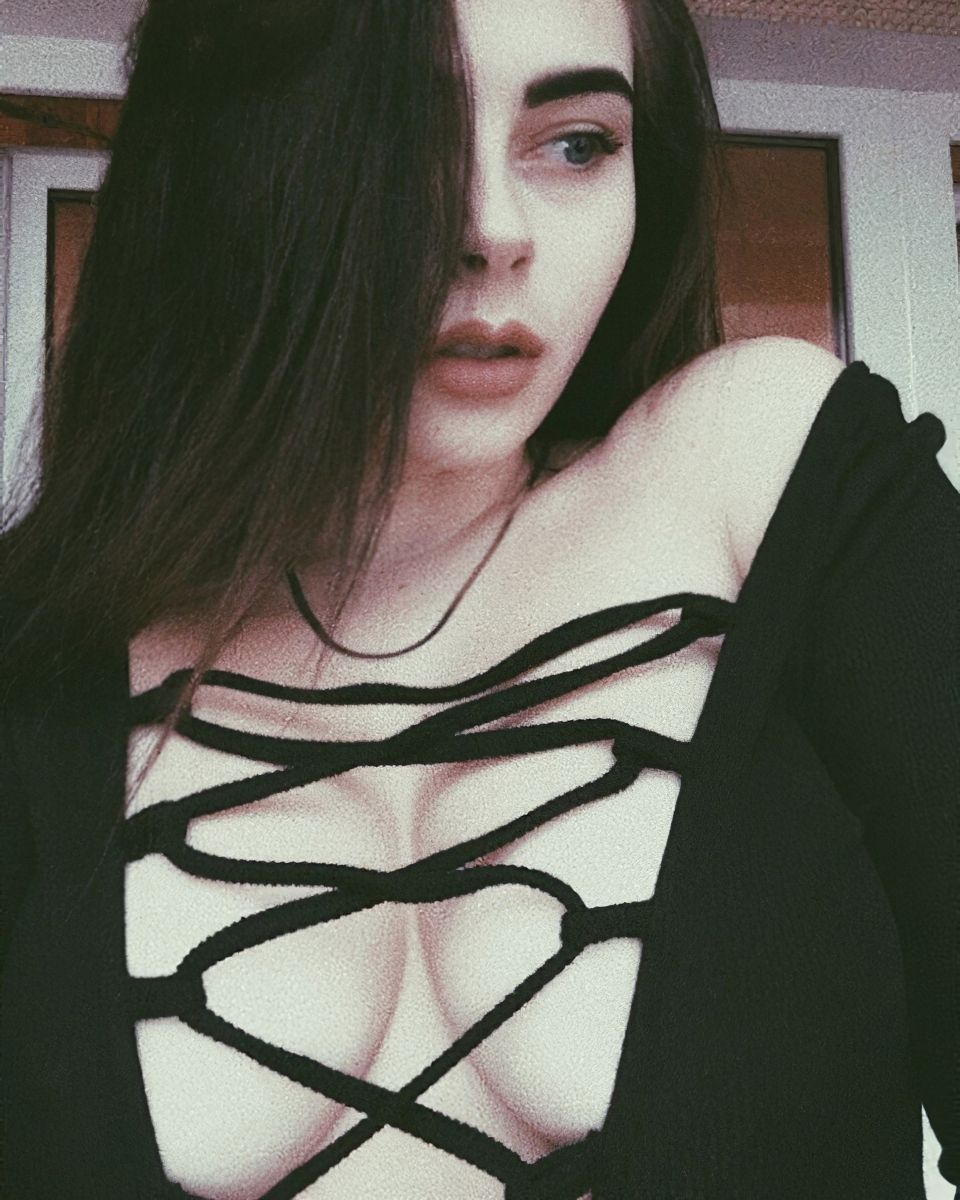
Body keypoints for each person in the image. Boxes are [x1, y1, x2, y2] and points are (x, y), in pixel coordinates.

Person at [1, 0, 957, 1197]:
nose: (493, 232)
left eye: (577, 143)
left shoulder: (762, 477)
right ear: (230, 156)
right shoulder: (44, 652)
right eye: (400, 137)